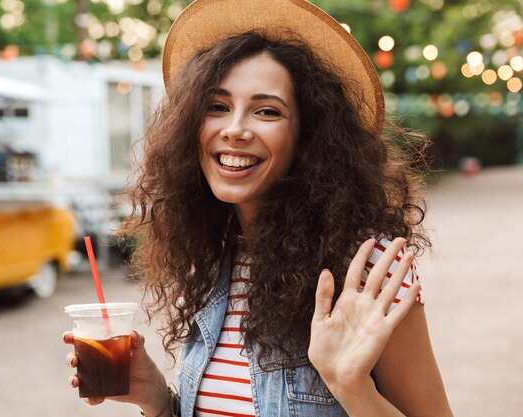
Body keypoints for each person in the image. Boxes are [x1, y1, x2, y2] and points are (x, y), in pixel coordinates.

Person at [63, 1, 454, 415]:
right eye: (217, 107)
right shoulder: (215, 258)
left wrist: (351, 386)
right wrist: (156, 399)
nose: (234, 129)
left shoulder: (367, 266)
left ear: (310, 135)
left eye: (267, 111)